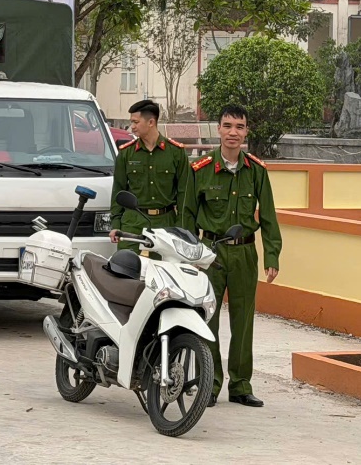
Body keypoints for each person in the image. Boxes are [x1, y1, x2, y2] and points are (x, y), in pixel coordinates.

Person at [183, 104, 282, 408]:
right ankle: (209, 384)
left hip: (244, 253)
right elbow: (187, 215)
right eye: (227, 126)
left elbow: (268, 216)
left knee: (243, 321)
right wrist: (189, 256)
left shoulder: (256, 171)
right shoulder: (200, 169)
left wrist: (272, 256)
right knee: (208, 320)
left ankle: (240, 385)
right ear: (218, 129)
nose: (233, 133)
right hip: (210, 254)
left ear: (246, 132)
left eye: (239, 127)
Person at [110, 100, 194, 252]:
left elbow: (185, 194)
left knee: (165, 266)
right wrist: (116, 225)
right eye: (131, 122)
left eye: (136, 122)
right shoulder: (126, 153)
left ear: (151, 122)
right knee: (126, 264)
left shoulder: (176, 153)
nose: (132, 126)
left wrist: (181, 229)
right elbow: (118, 190)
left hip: (165, 223)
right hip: (133, 223)